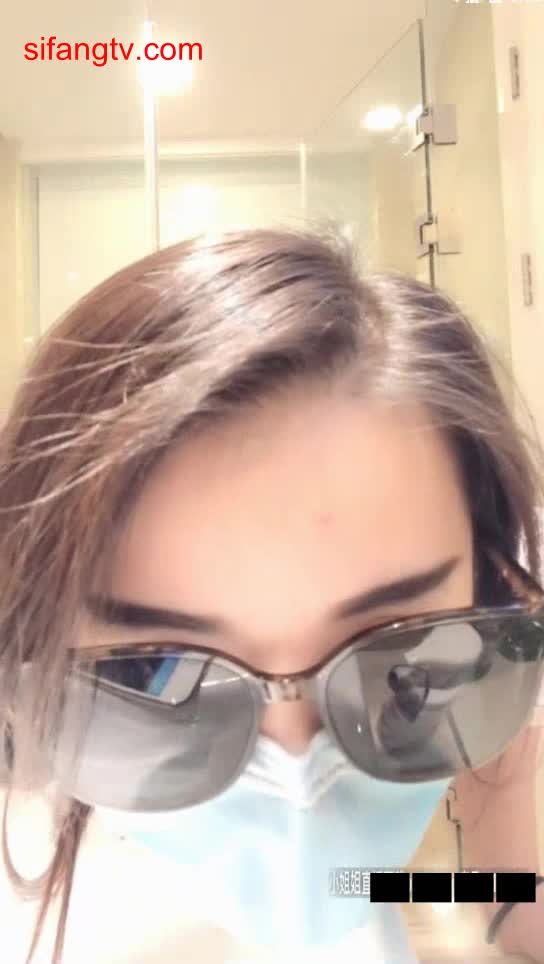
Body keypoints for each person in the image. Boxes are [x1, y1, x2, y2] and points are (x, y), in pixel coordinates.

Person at [0, 228, 543, 964]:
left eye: (394, 652)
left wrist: (510, 883)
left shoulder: (493, 648)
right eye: (154, 672)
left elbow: (418, 891)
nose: (298, 777)